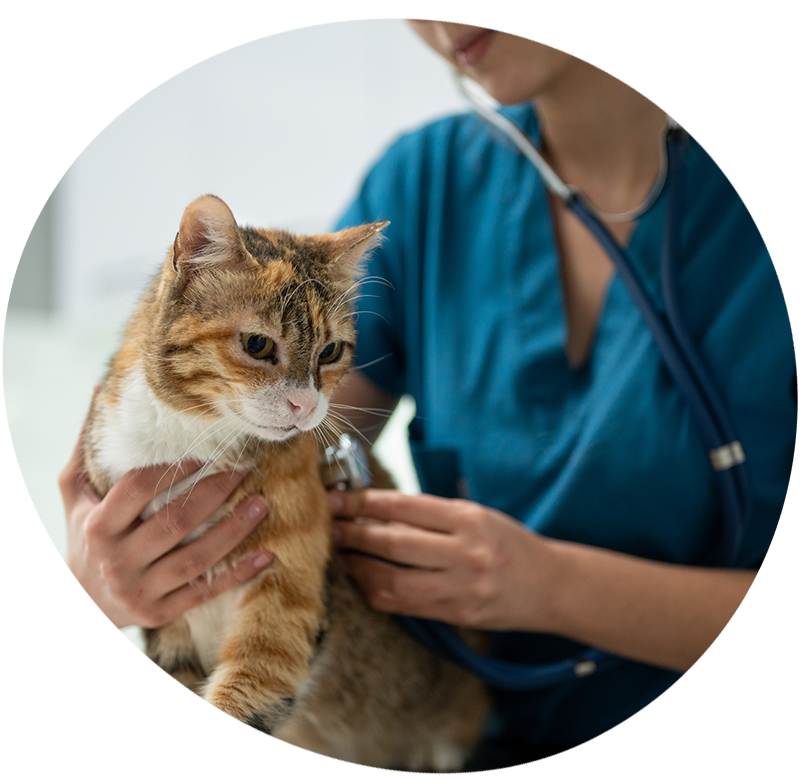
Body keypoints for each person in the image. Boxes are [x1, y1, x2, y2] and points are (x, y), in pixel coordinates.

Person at [60, 17, 798, 772]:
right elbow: (283, 455)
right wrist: (105, 565)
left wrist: (549, 587)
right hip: (449, 752)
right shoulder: (428, 184)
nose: (440, 17)